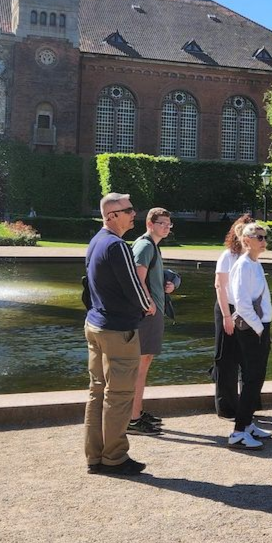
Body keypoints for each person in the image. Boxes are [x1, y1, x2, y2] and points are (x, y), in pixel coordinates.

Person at [83, 192, 156, 476]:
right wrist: (148, 305)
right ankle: (114, 457)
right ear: (112, 216)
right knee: (120, 395)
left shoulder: (96, 241)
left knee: (97, 392)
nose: (134, 214)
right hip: (118, 330)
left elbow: (88, 285)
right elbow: (134, 286)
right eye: (128, 210)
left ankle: (95, 456)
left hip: (96, 325)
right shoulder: (117, 245)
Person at [227, 222, 272, 450]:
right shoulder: (244, 265)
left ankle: (247, 424)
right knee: (252, 378)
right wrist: (260, 329)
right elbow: (242, 303)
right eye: (259, 237)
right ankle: (238, 432)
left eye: (264, 237)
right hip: (252, 329)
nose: (263, 241)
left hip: (259, 326)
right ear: (246, 241)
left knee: (255, 377)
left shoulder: (255, 263)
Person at [130, 207, 176, 434]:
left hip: (151, 312)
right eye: (162, 223)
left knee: (144, 363)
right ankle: (132, 418)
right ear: (150, 224)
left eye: (169, 224)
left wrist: (168, 285)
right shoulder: (146, 245)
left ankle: (136, 412)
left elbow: (147, 277)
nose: (166, 227)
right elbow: (137, 278)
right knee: (140, 366)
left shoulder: (152, 246)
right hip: (147, 314)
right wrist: (149, 302)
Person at [213, 214, 254, 419]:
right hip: (228, 308)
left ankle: (248, 405)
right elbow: (220, 286)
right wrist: (227, 316)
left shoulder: (251, 259)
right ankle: (227, 407)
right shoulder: (228, 256)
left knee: (249, 359)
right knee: (226, 359)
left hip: (248, 310)